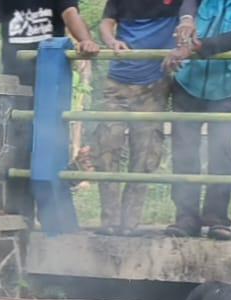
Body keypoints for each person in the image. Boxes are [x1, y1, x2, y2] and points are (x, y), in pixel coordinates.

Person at [0, 0, 100, 228]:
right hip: (15, 83)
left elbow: (70, 15)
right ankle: (20, 220)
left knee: (49, 149)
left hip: (49, 84)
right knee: (17, 151)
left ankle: (55, 225)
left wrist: (85, 40)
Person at [162, 0, 231, 239]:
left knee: (220, 150)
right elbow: (188, 4)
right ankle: (185, 216)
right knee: (184, 150)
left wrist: (195, 47)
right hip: (188, 80)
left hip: (228, 85)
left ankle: (217, 218)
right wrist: (187, 21)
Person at [92, 0, 182, 236]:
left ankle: (130, 224)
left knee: (145, 155)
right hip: (117, 81)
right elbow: (107, 22)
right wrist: (111, 41)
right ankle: (109, 221)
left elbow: (191, 21)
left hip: (155, 85)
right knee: (107, 149)